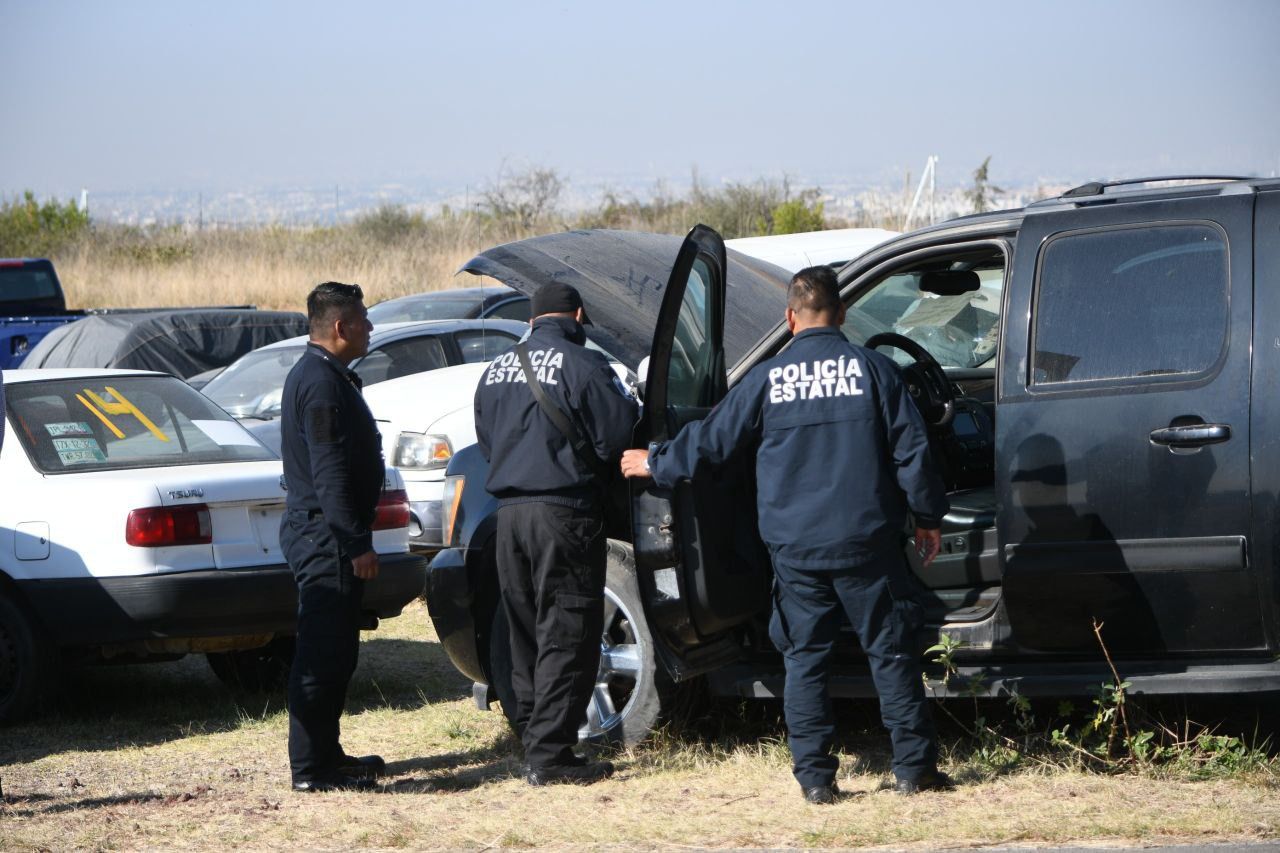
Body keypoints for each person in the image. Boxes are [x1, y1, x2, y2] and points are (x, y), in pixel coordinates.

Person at [621, 265, 951, 804]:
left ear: (790, 317)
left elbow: (711, 442)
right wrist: (928, 518)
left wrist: (654, 461)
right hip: (866, 543)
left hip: (796, 551)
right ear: (842, 314)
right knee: (890, 654)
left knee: (805, 659)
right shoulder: (875, 371)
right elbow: (912, 453)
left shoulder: (769, 379)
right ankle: (915, 771)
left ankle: (817, 781)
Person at [474, 281, 638, 786]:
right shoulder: (582, 364)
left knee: (524, 631)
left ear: (531, 318)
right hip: (561, 511)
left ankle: (532, 737)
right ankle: (551, 757)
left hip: (508, 515)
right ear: (579, 314)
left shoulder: (494, 371)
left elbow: (486, 442)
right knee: (567, 629)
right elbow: (617, 436)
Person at [279, 281, 386, 793]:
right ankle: (311, 770)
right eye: (364, 320)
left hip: (326, 534)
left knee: (337, 651)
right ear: (341, 327)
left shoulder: (326, 375)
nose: (370, 328)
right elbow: (329, 473)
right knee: (323, 654)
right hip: (326, 537)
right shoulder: (320, 383)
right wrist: (355, 543)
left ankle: (328, 753)